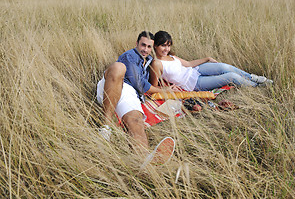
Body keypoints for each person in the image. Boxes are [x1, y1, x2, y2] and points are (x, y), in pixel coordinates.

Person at [96, 31, 175, 166]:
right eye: (143, 45)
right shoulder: (130, 56)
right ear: (137, 44)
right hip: (114, 83)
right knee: (118, 67)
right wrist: (164, 90)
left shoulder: (149, 60)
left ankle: (143, 160)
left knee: (136, 120)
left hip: (130, 92)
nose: (145, 49)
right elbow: (141, 85)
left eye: (149, 47)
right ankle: (105, 128)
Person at [149, 31, 273, 92]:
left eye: (169, 45)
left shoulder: (171, 56)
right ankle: (257, 86)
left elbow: (188, 64)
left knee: (225, 67)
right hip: (193, 83)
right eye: (163, 46)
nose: (166, 49)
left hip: (194, 71)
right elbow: (153, 86)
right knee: (231, 76)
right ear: (155, 46)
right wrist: (167, 89)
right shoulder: (157, 63)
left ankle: (252, 77)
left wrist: (207, 58)